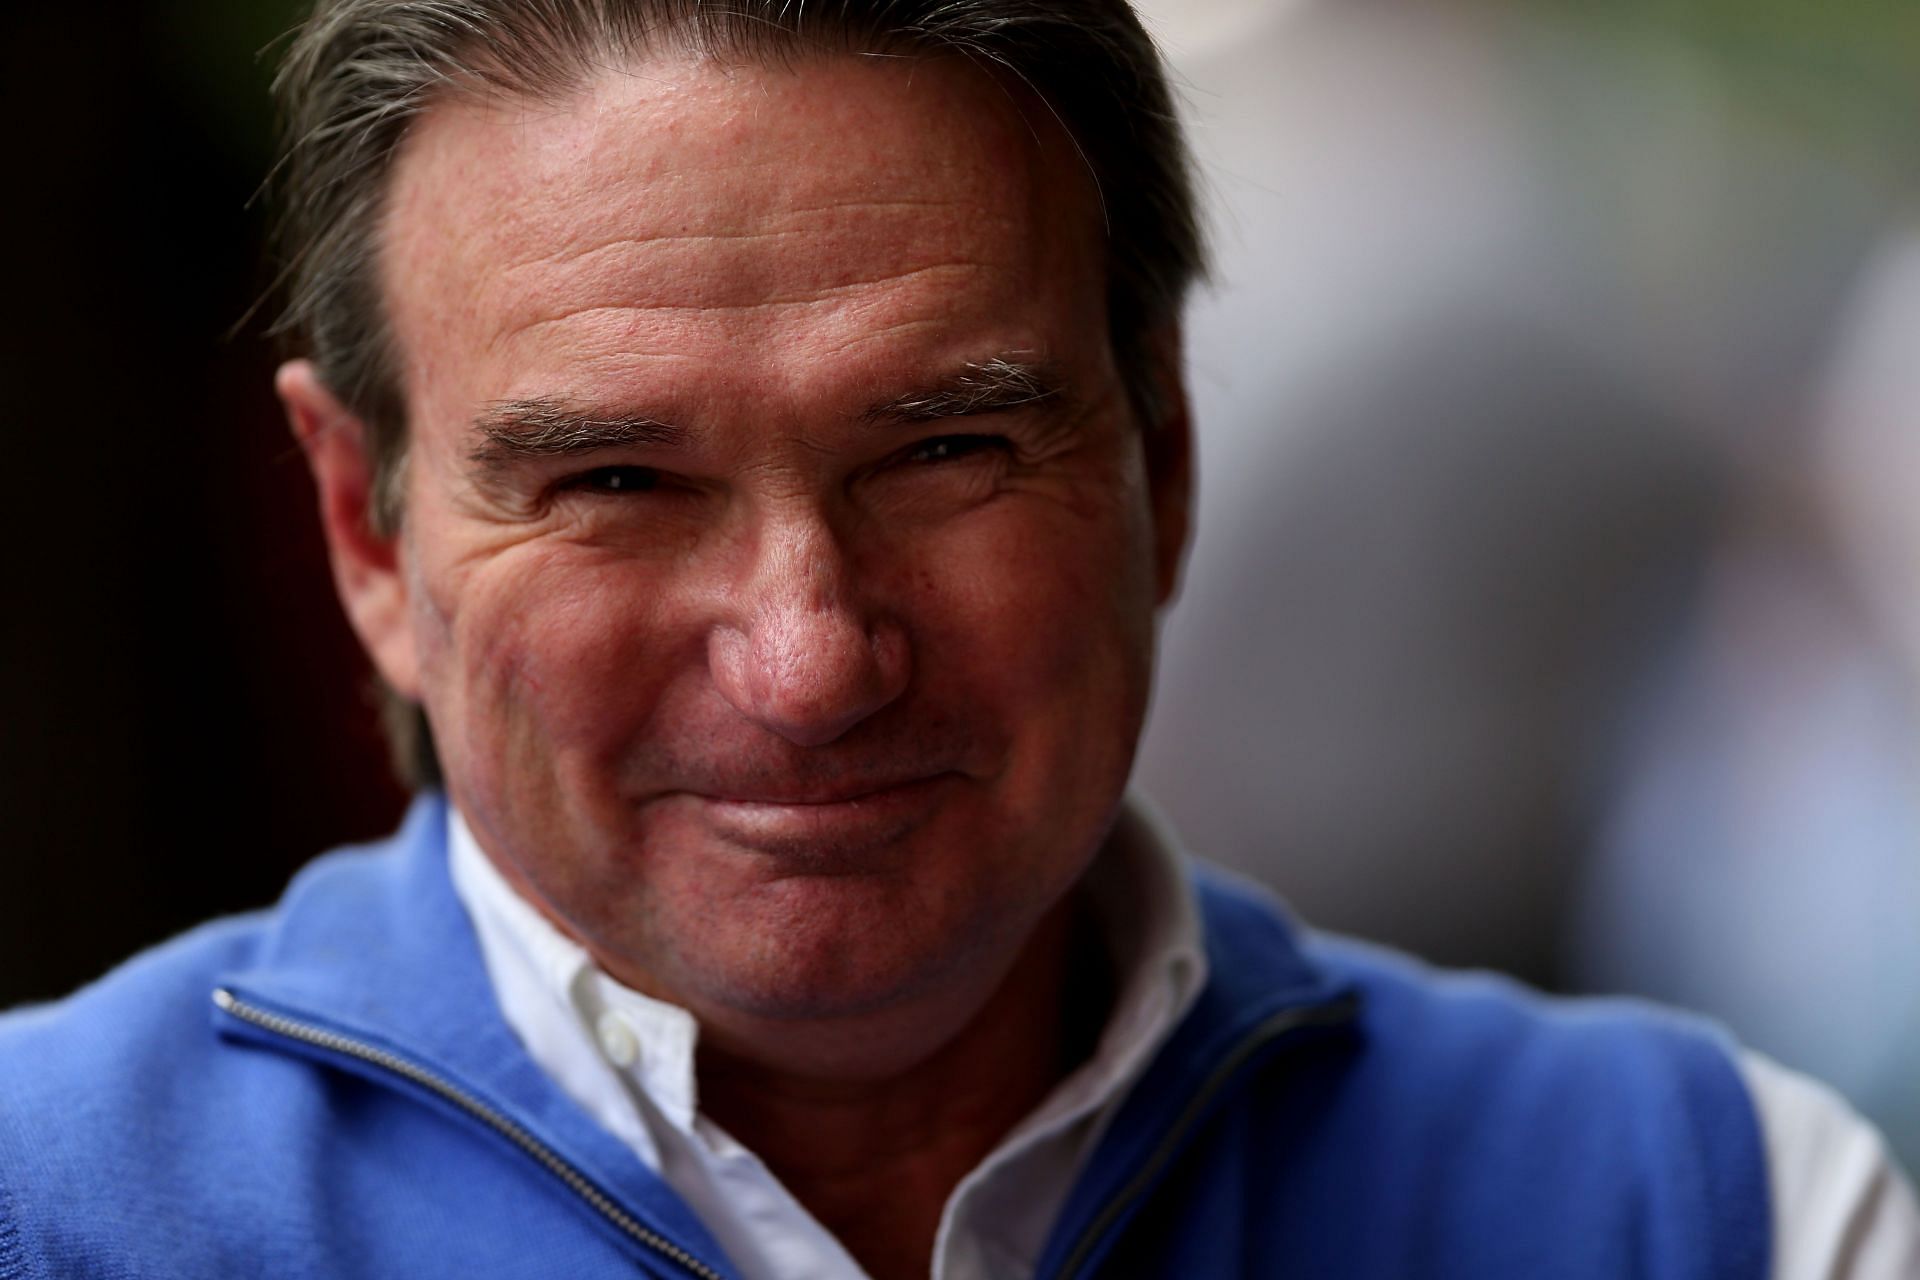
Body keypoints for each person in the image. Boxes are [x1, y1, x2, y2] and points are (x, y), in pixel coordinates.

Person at [0, 2, 1915, 1277]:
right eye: (615, 486)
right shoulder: (46, 1204)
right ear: (363, 529)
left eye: (945, 450)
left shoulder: (1714, 1207)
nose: (810, 659)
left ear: (1161, 456)